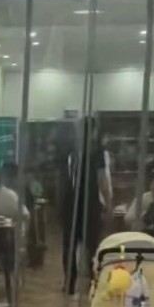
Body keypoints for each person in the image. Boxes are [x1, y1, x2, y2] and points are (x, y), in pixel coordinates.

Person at [62, 118, 112, 295]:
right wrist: (108, 203)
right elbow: (102, 180)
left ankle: (70, 282)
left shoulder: (71, 151)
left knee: (70, 245)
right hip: (89, 203)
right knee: (91, 244)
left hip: (71, 203)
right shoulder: (97, 152)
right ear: (93, 132)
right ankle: (92, 280)